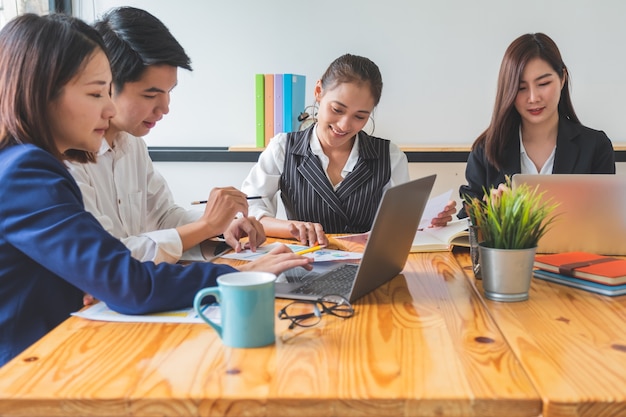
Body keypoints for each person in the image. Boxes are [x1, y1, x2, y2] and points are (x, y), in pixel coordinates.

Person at [0, 13, 311, 367]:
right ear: (43, 92)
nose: (108, 107)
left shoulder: (30, 162)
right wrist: (236, 276)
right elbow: (127, 280)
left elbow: (118, 265)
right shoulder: (28, 171)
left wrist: (216, 230)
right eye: (96, 92)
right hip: (28, 370)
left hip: (67, 350)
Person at [67, 6, 263, 265]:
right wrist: (206, 225)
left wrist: (220, 228)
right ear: (105, 84)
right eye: (150, 95)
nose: (165, 108)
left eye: (169, 91)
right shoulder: (68, 155)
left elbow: (164, 219)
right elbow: (111, 258)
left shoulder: (132, 143)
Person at [242, 53, 457, 246]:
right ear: (318, 92)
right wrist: (291, 228)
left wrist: (428, 221)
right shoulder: (283, 148)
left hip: (367, 267)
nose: (344, 125)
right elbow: (250, 209)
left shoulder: (390, 156)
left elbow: (399, 223)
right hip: (303, 263)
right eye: (337, 109)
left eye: (360, 116)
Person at [459, 33, 615, 216]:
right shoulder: (487, 149)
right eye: (521, 88)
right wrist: (491, 216)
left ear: (562, 78)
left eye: (543, 83)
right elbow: (467, 222)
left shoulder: (595, 147)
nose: (533, 98)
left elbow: (605, 221)